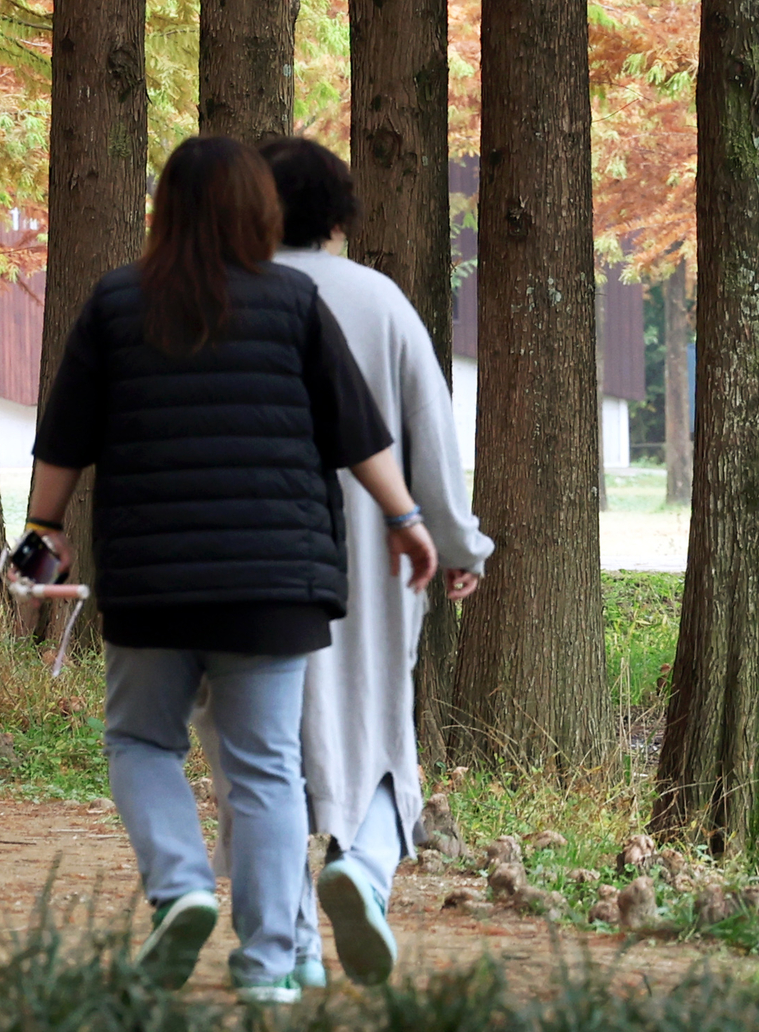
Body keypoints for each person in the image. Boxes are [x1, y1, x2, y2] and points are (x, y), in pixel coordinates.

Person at [13, 135, 439, 1003]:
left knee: (141, 739)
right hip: (274, 585)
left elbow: (62, 440)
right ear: (260, 213)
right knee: (266, 766)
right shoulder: (295, 300)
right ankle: (272, 962)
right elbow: (361, 434)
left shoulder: (116, 302)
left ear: (163, 210)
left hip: (154, 582)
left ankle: (181, 888)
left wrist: (42, 526)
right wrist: (405, 518)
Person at [261, 135, 489, 987]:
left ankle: (285, 943)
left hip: (259, 554)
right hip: (383, 549)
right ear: (338, 215)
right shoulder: (381, 299)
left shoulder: (230, 297)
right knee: (382, 727)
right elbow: (428, 436)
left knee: (265, 744)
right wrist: (461, 546)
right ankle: (363, 862)